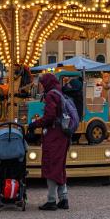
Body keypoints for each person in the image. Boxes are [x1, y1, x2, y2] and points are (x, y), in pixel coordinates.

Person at [30, 73, 70, 210]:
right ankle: (63, 198)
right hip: (62, 134)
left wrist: (35, 124)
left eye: (41, 83)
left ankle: (52, 199)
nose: (39, 85)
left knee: (51, 164)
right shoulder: (59, 93)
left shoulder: (50, 96)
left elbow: (50, 116)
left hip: (54, 134)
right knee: (59, 165)